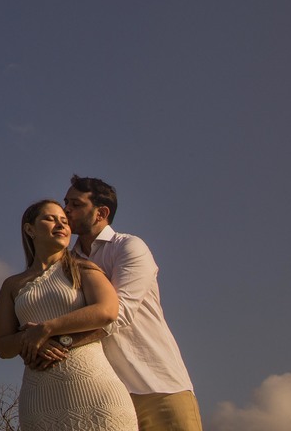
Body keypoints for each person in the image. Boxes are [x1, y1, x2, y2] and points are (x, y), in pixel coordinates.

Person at [62, 175, 203, 431]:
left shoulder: (129, 247)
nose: (66, 210)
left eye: (76, 204)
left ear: (100, 212)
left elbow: (119, 312)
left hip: (159, 386)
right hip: (105, 396)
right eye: (65, 203)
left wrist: (60, 342)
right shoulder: (65, 263)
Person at [0, 199, 137, 431]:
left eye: (64, 221)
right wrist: (29, 340)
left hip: (96, 394)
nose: (60, 225)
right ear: (29, 229)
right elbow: (2, 346)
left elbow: (107, 311)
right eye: (50, 219)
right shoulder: (12, 285)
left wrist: (46, 329)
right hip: (39, 399)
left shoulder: (82, 268)